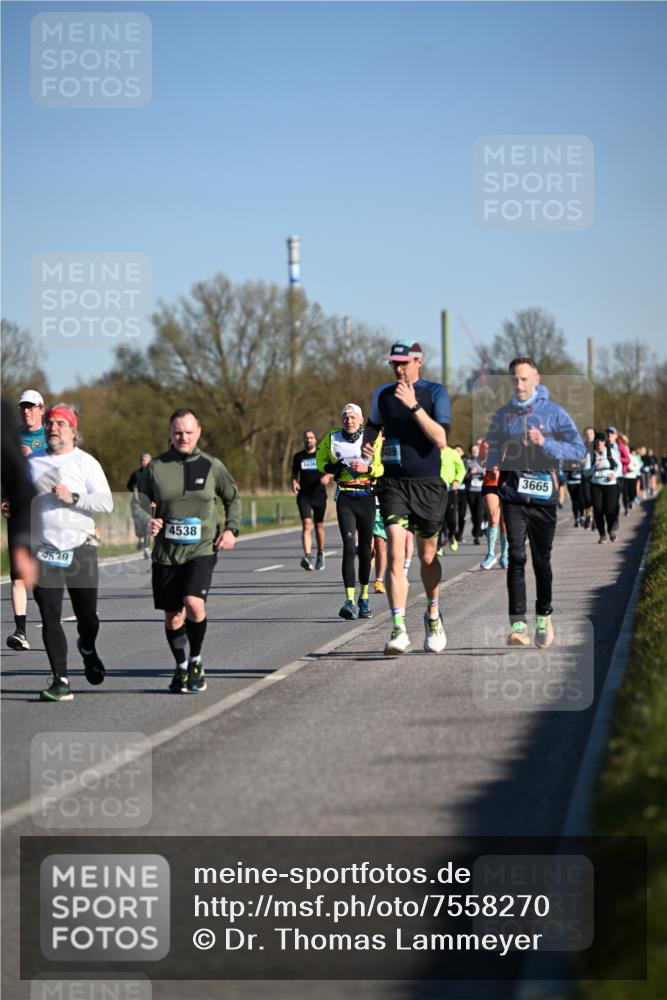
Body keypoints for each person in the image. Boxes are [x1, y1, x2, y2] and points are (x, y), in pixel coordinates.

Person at [132, 409, 241, 694]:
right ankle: (181, 666)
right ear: (169, 433)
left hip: (201, 549)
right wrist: (147, 521)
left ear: (198, 432)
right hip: (166, 554)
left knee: (194, 603)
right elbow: (139, 504)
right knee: (173, 616)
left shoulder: (211, 465)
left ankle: (196, 660)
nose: (183, 437)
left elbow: (232, 497)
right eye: (178, 432)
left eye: (189, 432)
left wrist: (231, 530)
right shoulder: (155, 468)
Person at [485, 357, 585, 648]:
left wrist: (545, 442)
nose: (520, 384)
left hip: (543, 495)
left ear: (537, 379)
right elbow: (492, 447)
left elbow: (578, 450)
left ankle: (543, 616)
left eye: (525, 379)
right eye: (515, 379)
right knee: (515, 556)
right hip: (513, 494)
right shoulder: (503, 415)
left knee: (542, 560)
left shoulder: (554, 413)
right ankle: (518, 624)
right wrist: (489, 463)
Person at [362, 339, 450, 655]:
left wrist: (414, 406)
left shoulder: (435, 393)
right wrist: (368, 444)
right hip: (393, 483)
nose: (398, 368)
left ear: (418, 361)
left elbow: (440, 438)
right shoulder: (382, 395)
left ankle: (433, 615)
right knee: (395, 553)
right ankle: (398, 628)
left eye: (403, 363)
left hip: (427, 484)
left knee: (427, 557)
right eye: (393, 364)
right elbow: (373, 425)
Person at [27, 404, 113, 701]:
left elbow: (107, 503)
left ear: (73, 431)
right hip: (43, 550)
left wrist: (73, 497)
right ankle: (61, 680)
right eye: (50, 423)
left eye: (60, 423)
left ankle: (87, 648)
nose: (53, 428)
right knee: (50, 614)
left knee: (86, 616)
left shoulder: (85, 462)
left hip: (80, 546)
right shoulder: (32, 462)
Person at [317, 404, 383, 620]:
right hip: (345, 496)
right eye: (346, 417)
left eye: (353, 417)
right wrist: (331, 468)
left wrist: (369, 469)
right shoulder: (332, 437)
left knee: (365, 550)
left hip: (366, 495)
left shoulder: (373, 438)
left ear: (361, 419)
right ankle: (349, 600)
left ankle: (364, 598)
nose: (349, 420)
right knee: (348, 547)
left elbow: (383, 468)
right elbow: (320, 461)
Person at [5, 389, 46, 651]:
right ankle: (20, 631)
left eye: (32, 407)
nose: (27, 412)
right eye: (23, 407)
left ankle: (51, 620)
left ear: (42, 409)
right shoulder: (11, 436)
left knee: (43, 574)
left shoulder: (51, 436)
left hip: (48, 515)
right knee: (18, 575)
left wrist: (32, 458)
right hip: (19, 512)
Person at [291, 430, 331, 571]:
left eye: (311, 437)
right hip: (304, 496)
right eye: (306, 437)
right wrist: (294, 483)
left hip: (319, 496)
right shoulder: (298, 457)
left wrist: (328, 476)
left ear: (315, 439)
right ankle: (308, 556)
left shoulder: (322, 454)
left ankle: (321, 552)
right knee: (306, 524)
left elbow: (332, 469)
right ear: (304, 440)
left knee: (319, 526)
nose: (309, 440)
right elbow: (294, 475)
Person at [584, 432, 620, 542]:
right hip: (596, 486)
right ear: (594, 442)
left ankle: (610, 530)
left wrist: (614, 475)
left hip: (610, 485)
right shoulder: (590, 454)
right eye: (597, 441)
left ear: (605, 442)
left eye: (602, 441)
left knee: (610, 510)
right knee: (598, 510)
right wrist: (594, 466)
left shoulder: (611, 452)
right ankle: (602, 534)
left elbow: (619, 466)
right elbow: (586, 473)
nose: (599, 443)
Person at [479, 440, 509, 570]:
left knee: (504, 522)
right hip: (491, 483)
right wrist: (485, 462)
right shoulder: (486, 443)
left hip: (508, 483)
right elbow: (481, 460)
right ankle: (491, 554)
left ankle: (505, 555)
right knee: (493, 516)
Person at [439, 445, 466, 553]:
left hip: (450, 489)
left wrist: (457, 480)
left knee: (451, 519)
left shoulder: (452, 453)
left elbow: (461, 469)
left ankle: (451, 535)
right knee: (438, 519)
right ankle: (438, 546)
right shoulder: (431, 451)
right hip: (435, 490)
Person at [127, 452, 153, 558]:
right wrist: (135, 492)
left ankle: (146, 548)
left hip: (149, 503)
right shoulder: (136, 474)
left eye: (145, 461)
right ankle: (141, 539)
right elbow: (128, 486)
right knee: (139, 526)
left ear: (150, 462)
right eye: (142, 461)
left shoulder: (153, 473)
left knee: (147, 524)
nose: (143, 463)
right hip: (137, 504)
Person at [464, 442, 485, 545]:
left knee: (480, 513)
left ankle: (476, 535)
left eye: (476, 450)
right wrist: (469, 473)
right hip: (471, 490)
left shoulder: (484, 461)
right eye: (473, 451)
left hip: (481, 490)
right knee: (473, 514)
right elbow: (463, 477)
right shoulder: (467, 462)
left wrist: (484, 473)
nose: (475, 452)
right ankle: (475, 528)